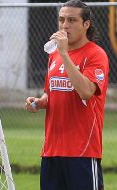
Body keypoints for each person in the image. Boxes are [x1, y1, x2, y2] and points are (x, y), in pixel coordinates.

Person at [25, 1, 109, 190]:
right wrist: (39, 102)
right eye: (62, 20)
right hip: (51, 152)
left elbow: (86, 92)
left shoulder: (96, 55)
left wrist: (64, 54)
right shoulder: (53, 55)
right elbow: (51, 93)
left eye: (72, 20)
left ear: (86, 24)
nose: (65, 25)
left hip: (82, 151)